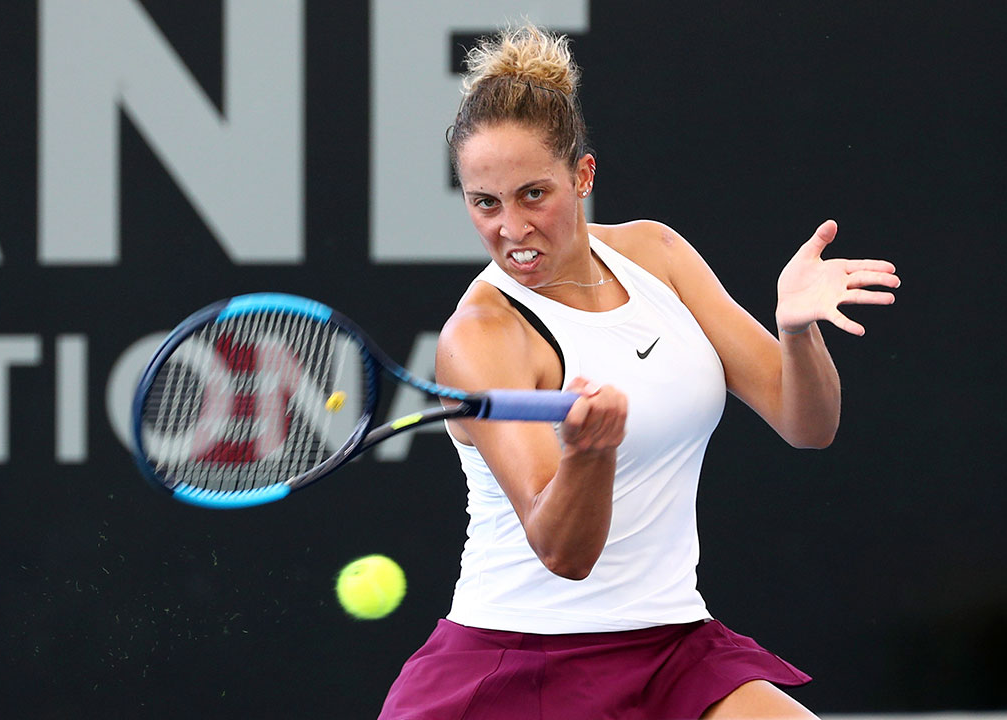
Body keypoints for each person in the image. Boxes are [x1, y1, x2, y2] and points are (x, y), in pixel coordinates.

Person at [378, 24, 898, 720]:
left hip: (672, 648)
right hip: (522, 661)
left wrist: (796, 333)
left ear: (582, 176)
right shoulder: (481, 336)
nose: (511, 228)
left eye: (534, 194)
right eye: (485, 203)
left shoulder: (657, 255)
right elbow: (564, 553)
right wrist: (589, 453)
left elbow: (809, 426)